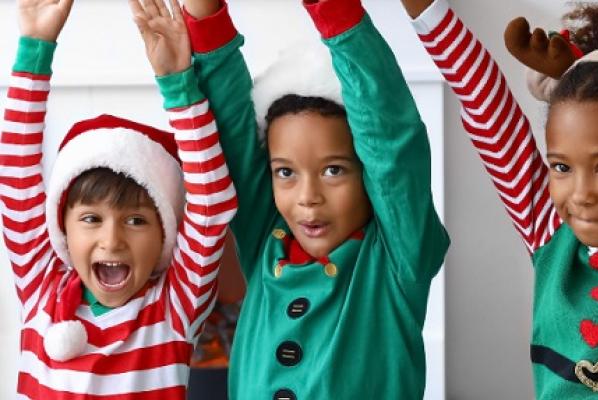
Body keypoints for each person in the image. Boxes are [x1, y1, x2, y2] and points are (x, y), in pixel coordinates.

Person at [180, 0, 449, 398]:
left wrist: (335, 11)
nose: (307, 198)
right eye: (285, 172)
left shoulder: (394, 258)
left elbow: (392, 142)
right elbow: (233, 128)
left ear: (367, 174)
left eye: (333, 170)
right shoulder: (265, 240)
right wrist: (202, 14)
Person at [4, 0, 236, 398]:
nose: (112, 240)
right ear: (62, 228)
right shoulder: (42, 287)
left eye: (136, 220)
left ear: (165, 233)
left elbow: (212, 202)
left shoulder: (173, 307)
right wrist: (35, 47)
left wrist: (179, 83)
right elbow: (16, 175)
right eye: (91, 219)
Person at [401, 0, 598, 396]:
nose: (581, 195)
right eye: (560, 167)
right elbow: (482, 98)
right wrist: (425, 11)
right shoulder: (550, 233)